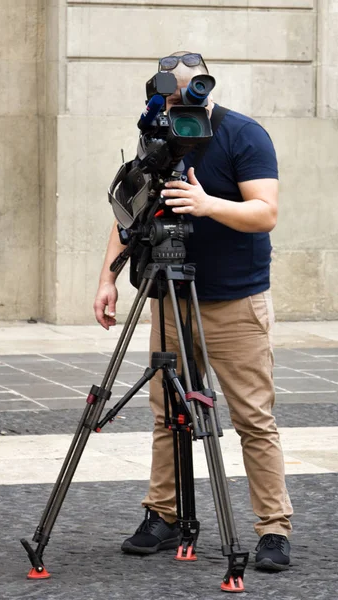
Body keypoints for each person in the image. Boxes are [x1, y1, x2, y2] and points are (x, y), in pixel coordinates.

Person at [93, 51, 293, 572]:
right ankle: (163, 514)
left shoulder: (244, 135)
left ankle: (273, 529)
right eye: (162, 101)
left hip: (234, 303)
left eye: (179, 99)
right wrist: (107, 278)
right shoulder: (156, 140)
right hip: (169, 299)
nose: (170, 110)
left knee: (253, 419)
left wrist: (207, 206)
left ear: (202, 90)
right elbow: (128, 211)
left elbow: (265, 212)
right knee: (168, 416)